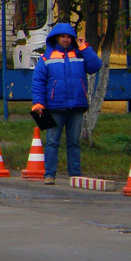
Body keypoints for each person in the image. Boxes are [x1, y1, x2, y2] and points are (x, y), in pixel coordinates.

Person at [31, 21, 103, 185]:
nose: (65, 40)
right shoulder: (47, 57)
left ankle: (75, 175)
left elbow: (96, 66)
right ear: (56, 38)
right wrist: (38, 104)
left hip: (76, 105)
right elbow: (38, 82)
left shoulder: (80, 54)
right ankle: (49, 175)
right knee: (52, 142)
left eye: (68, 37)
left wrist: (84, 47)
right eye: (62, 37)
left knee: (74, 143)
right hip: (54, 107)